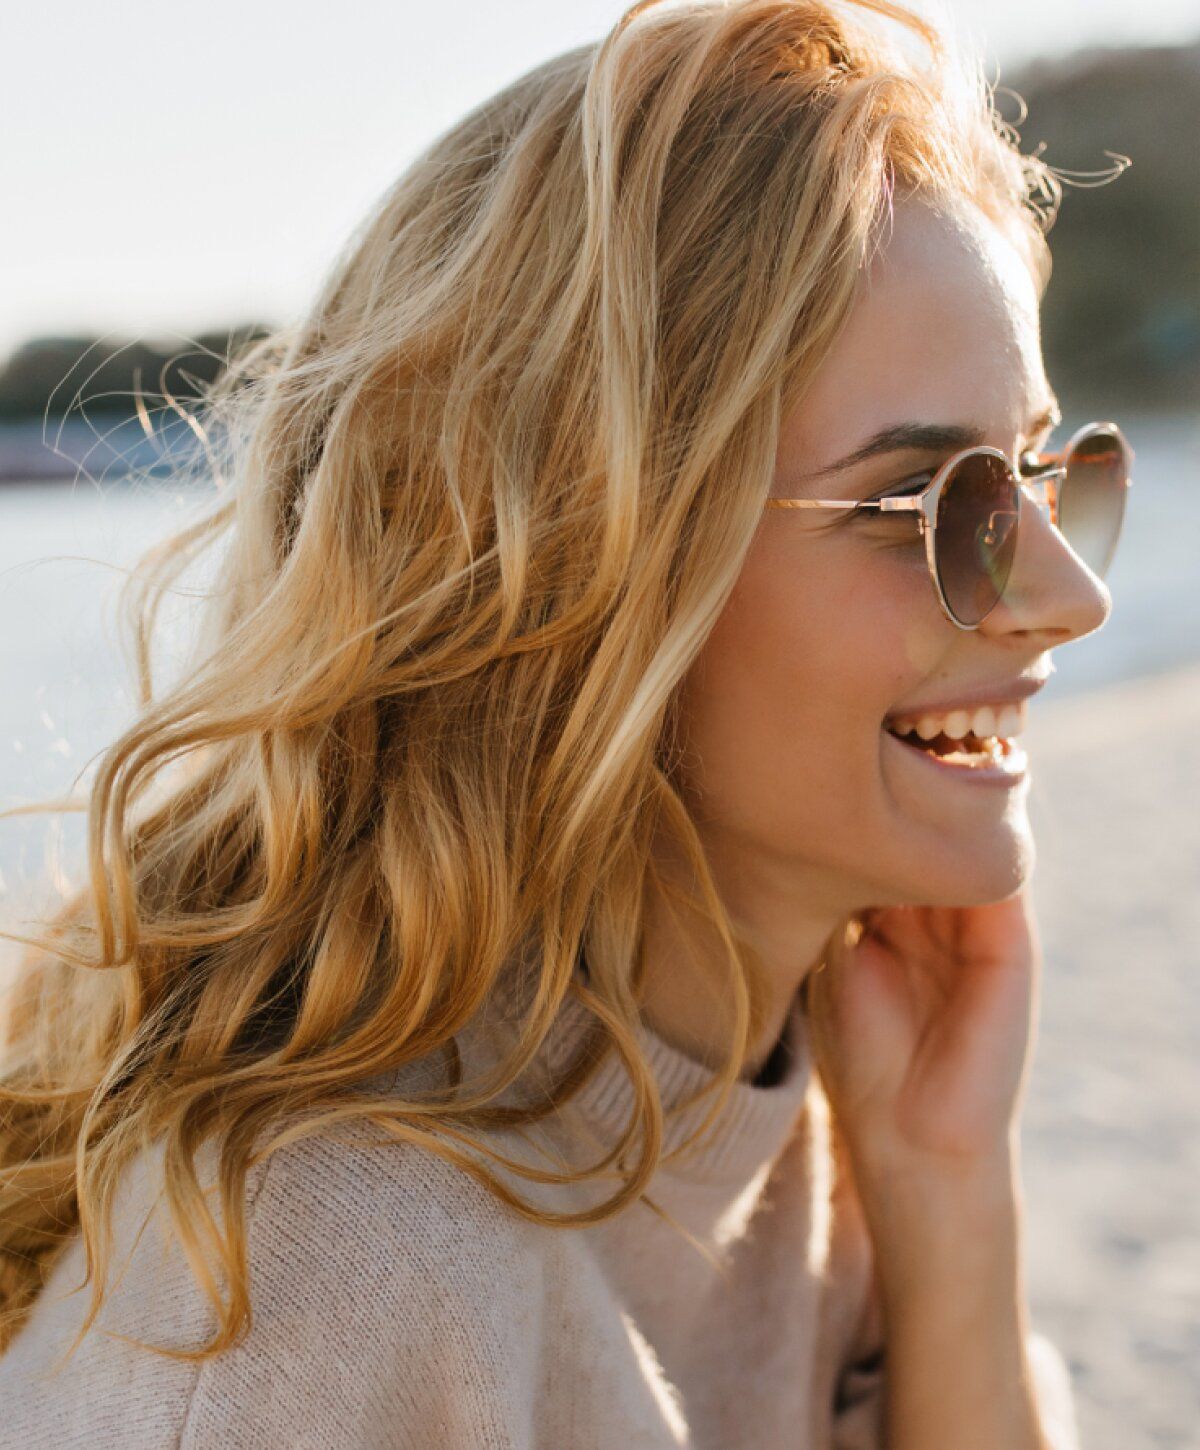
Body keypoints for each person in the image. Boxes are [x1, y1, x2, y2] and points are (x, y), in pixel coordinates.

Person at [0, 0, 1123, 1444]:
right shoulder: (313, 1277)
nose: (1071, 595)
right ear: (585, 562)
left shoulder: (833, 1107)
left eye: (1038, 473)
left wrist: (949, 1189)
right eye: (933, 499)